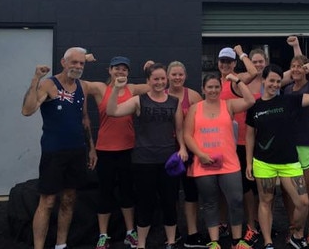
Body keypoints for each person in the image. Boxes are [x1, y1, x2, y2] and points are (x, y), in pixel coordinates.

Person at [21, 47, 97, 249]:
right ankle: (39, 246)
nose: (78, 66)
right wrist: (35, 78)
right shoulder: (49, 84)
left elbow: (84, 119)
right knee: (47, 201)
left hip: (77, 151)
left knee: (69, 199)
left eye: (81, 63)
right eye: (74, 62)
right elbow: (27, 110)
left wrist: (91, 148)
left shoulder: (82, 87)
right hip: (53, 152)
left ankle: (61, 244)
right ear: (64, 63)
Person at [106, 63, 188, 249]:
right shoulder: (139, 100)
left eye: (162, 79)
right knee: (145, 203)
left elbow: (179, 128)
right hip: (143, 161)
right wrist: (116, 89)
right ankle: (141, 244)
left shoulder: (174, 101)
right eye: (155, 79)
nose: (159, 82)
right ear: (148, 81)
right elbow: (112, 111)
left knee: (169, 202)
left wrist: (182, 147)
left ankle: (171, 242)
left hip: (168, 160)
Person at [245, 63, 309, 249]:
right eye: (271, 80)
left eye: (278, 81)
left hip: (289, 161)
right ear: (263, 80)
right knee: (266, 201)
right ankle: (268, 242)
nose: (275, 84)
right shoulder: (255, 106)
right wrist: (249, 163)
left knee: (303, 202)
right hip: (263, 162)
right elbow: (249, 135)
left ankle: (296, 233)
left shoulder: (289, 100)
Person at [184, 73, 256, 249]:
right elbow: (187, 134)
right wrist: (200, 154)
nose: (213, 90)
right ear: (203, 89)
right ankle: (214, 241)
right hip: (204, 163)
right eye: (210, 87)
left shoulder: (228, 105)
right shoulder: (196, 108)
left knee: (236, 200)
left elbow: (250, 100)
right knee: (210, 202)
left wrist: (236, 80)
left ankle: (236, 240)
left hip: (229, 163)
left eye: (216, 87)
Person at [85, 56, 150, 249]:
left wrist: (149, 67)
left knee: (127, 192)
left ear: (128, 73)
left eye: (124, 69)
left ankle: (130, 233)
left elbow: (157, 85)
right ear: (109, 70)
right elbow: (77, 83)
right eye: (117, 69)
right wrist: (83, 58)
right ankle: (103, 235)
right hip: (104, 150)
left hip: (128, 149)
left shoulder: (132, 89)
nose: (120, 72)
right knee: (105, 193)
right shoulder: (100, 89)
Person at [217, 45, 259, 241]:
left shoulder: (236, 80)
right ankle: (224, 223)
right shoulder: (217, 83)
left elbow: (254, 71)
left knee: (246, 187)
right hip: (223, 143)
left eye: (229, 61)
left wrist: (242, 52)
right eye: (222, 61)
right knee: (223, 186)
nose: (225, 65)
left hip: (241, 142)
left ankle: (251, 225)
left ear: (234, 63)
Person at [281, 55, 309, 246]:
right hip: (290, 142)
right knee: (289, 191)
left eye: (300, 66)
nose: (296, 69)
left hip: (308, 142)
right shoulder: (287, 89)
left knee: (305, 189)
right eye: (293, 66)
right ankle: (294, 227)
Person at [165, 61, 206, 249]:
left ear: (186, 76)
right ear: (167, 76)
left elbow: (203, 123)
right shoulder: (160, 95)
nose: (177, 78)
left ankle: (192, 233)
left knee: (191, 193)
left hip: (190, 151)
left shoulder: (195, 96)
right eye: (174, 74)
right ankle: (173, 233)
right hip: (167, 151)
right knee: (170, 193)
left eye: (180, 74)